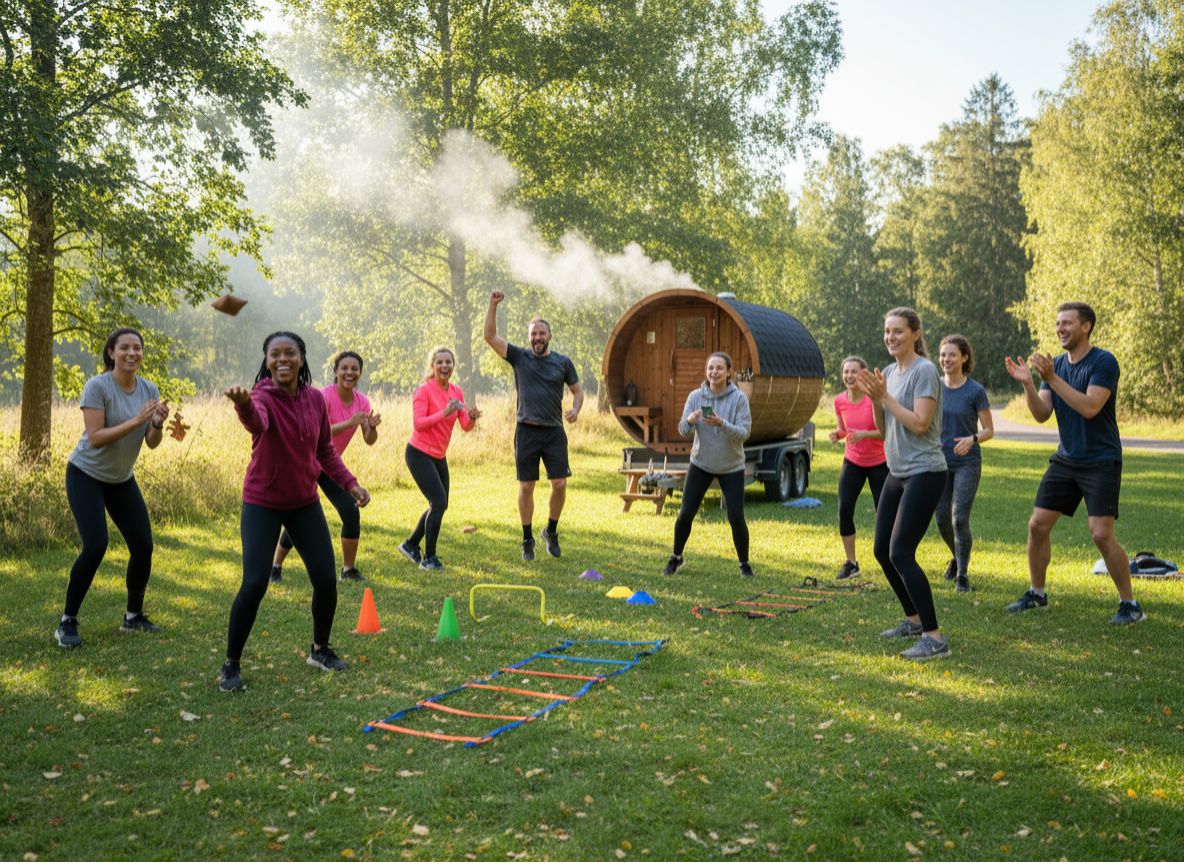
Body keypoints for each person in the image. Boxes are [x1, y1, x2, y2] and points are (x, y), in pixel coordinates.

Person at [220, 332, 371, 692]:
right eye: (275, 354)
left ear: (302, 358)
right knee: (255, 583)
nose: (282, 359)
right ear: (267, 360)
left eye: (290, 353)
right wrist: (243, 404)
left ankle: (319, 650)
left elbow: (324, 451)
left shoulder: (316, 400)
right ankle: (231, 664)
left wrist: (350, 484)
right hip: (263, 501)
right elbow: (257, 423)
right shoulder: (261, 397)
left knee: (326, 580)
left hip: (304, 501)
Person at [1003, 302, 1144, 625]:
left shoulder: (1104, 361)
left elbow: (1091, 406)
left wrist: (1051, 378)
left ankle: (1130, 604)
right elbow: (1041, 414)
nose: (1060, 329)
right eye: (1057, 323)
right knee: (1037, 525)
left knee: (1100, 534)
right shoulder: (1055, 366)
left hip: (1101, 459)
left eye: (1067, 323)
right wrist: (1029, 382)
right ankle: (1037, 594)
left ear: (1086, 327)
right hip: (1066, 459)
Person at [56, 328, 170, 649]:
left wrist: (156, 423)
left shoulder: (149, 389)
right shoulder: (97, 386)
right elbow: (95, 437)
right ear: (111, 353)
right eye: (124, 348)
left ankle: (133, 617)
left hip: (121, 479)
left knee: (143, 545)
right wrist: (137, 420)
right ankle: (67, 622)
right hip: (85, 474)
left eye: (137, 348)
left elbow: (151, 443)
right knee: (95, 545)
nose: (132, 353)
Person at [856, 308, 950, 660]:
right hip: (898, 471)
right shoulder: (891, 373)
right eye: (886, 331)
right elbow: (884, 430)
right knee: (882, 550)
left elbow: (920, 423)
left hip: (925, 470)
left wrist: (885, 398)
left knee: (900, 552)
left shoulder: (924, 371)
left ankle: (935, 638)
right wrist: (875, 398)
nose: (890, 337)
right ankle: (913, 619)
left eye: (897, 331)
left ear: (915, 334)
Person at [483, 291, 583, 561]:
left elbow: (578, 391)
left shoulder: (563, 362)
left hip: (554, 432)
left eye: (542, 333)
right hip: (526, 430)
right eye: (533, 334)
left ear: (549, 336)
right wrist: (493, 305)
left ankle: (551, 531)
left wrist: (575, 409)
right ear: (529, 338)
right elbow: (490, 337)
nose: (537, 337)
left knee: (559, 484)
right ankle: (527, 539)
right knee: (526, 487)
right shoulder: (519, 357)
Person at [270, 351, 381, 584]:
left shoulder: (362, 402)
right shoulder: (322, 397)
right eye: (344, 368)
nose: (349, 373)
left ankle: (348, 570)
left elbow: (369, 440)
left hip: (330, 464)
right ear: (336, 371)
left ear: (360, 373)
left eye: (355, 369)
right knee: (298, 515)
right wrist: (350, 422)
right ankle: (275, 566)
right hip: (305, 462)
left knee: (351, 511)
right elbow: (316, 433)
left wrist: (371, 427)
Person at [663, 352, 754, 578]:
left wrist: (721, 423)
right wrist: (690, 421)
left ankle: (744, 564)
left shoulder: (739, 399)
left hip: (731, 466)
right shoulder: (695, 396)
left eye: (719, 368)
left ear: (729, 372)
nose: (714, 372)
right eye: (711, 368)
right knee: (685, 513)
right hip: (701, 463)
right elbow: (683, 430)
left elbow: (744, 433)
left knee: (735, 517)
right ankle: (676, 558)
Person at [397, 346, 482, 571]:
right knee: (438, 502)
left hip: (438, 456)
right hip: (418, 454)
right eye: (440, 362)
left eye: (449, 362)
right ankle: (429, 559)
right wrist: (444, 412)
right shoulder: (424, 391)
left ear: (453, 366)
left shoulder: (457, 391)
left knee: (440, 504)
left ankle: (411, 544)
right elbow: (418, 424)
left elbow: (465, 426)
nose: (445, 366)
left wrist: (472, 418)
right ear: (433, 366)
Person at [935, 335, 994, 593]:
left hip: (967, 463)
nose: (946, 359)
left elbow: (989, 430)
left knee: (959, 518)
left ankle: (963, 575)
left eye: (952, 355)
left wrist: (972, 439)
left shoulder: (975, 391)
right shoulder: (934, 387)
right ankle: (957, 558)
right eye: (943, 355)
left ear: (964, 358)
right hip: (938, 462)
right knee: (941, 519)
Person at [829, 356, 888, 580]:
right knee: (844, 509)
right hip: (852, 461)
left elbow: (885, 432)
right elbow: (845, 430)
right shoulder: (839, 401)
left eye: (854, 372)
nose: (849, 376)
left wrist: (864, 434)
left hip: (879, 462)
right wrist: (838, 434)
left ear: (863, 374)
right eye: (846, 372)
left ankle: (890, 558)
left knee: (884, 513)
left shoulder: (874, 399)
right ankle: (851, 563)